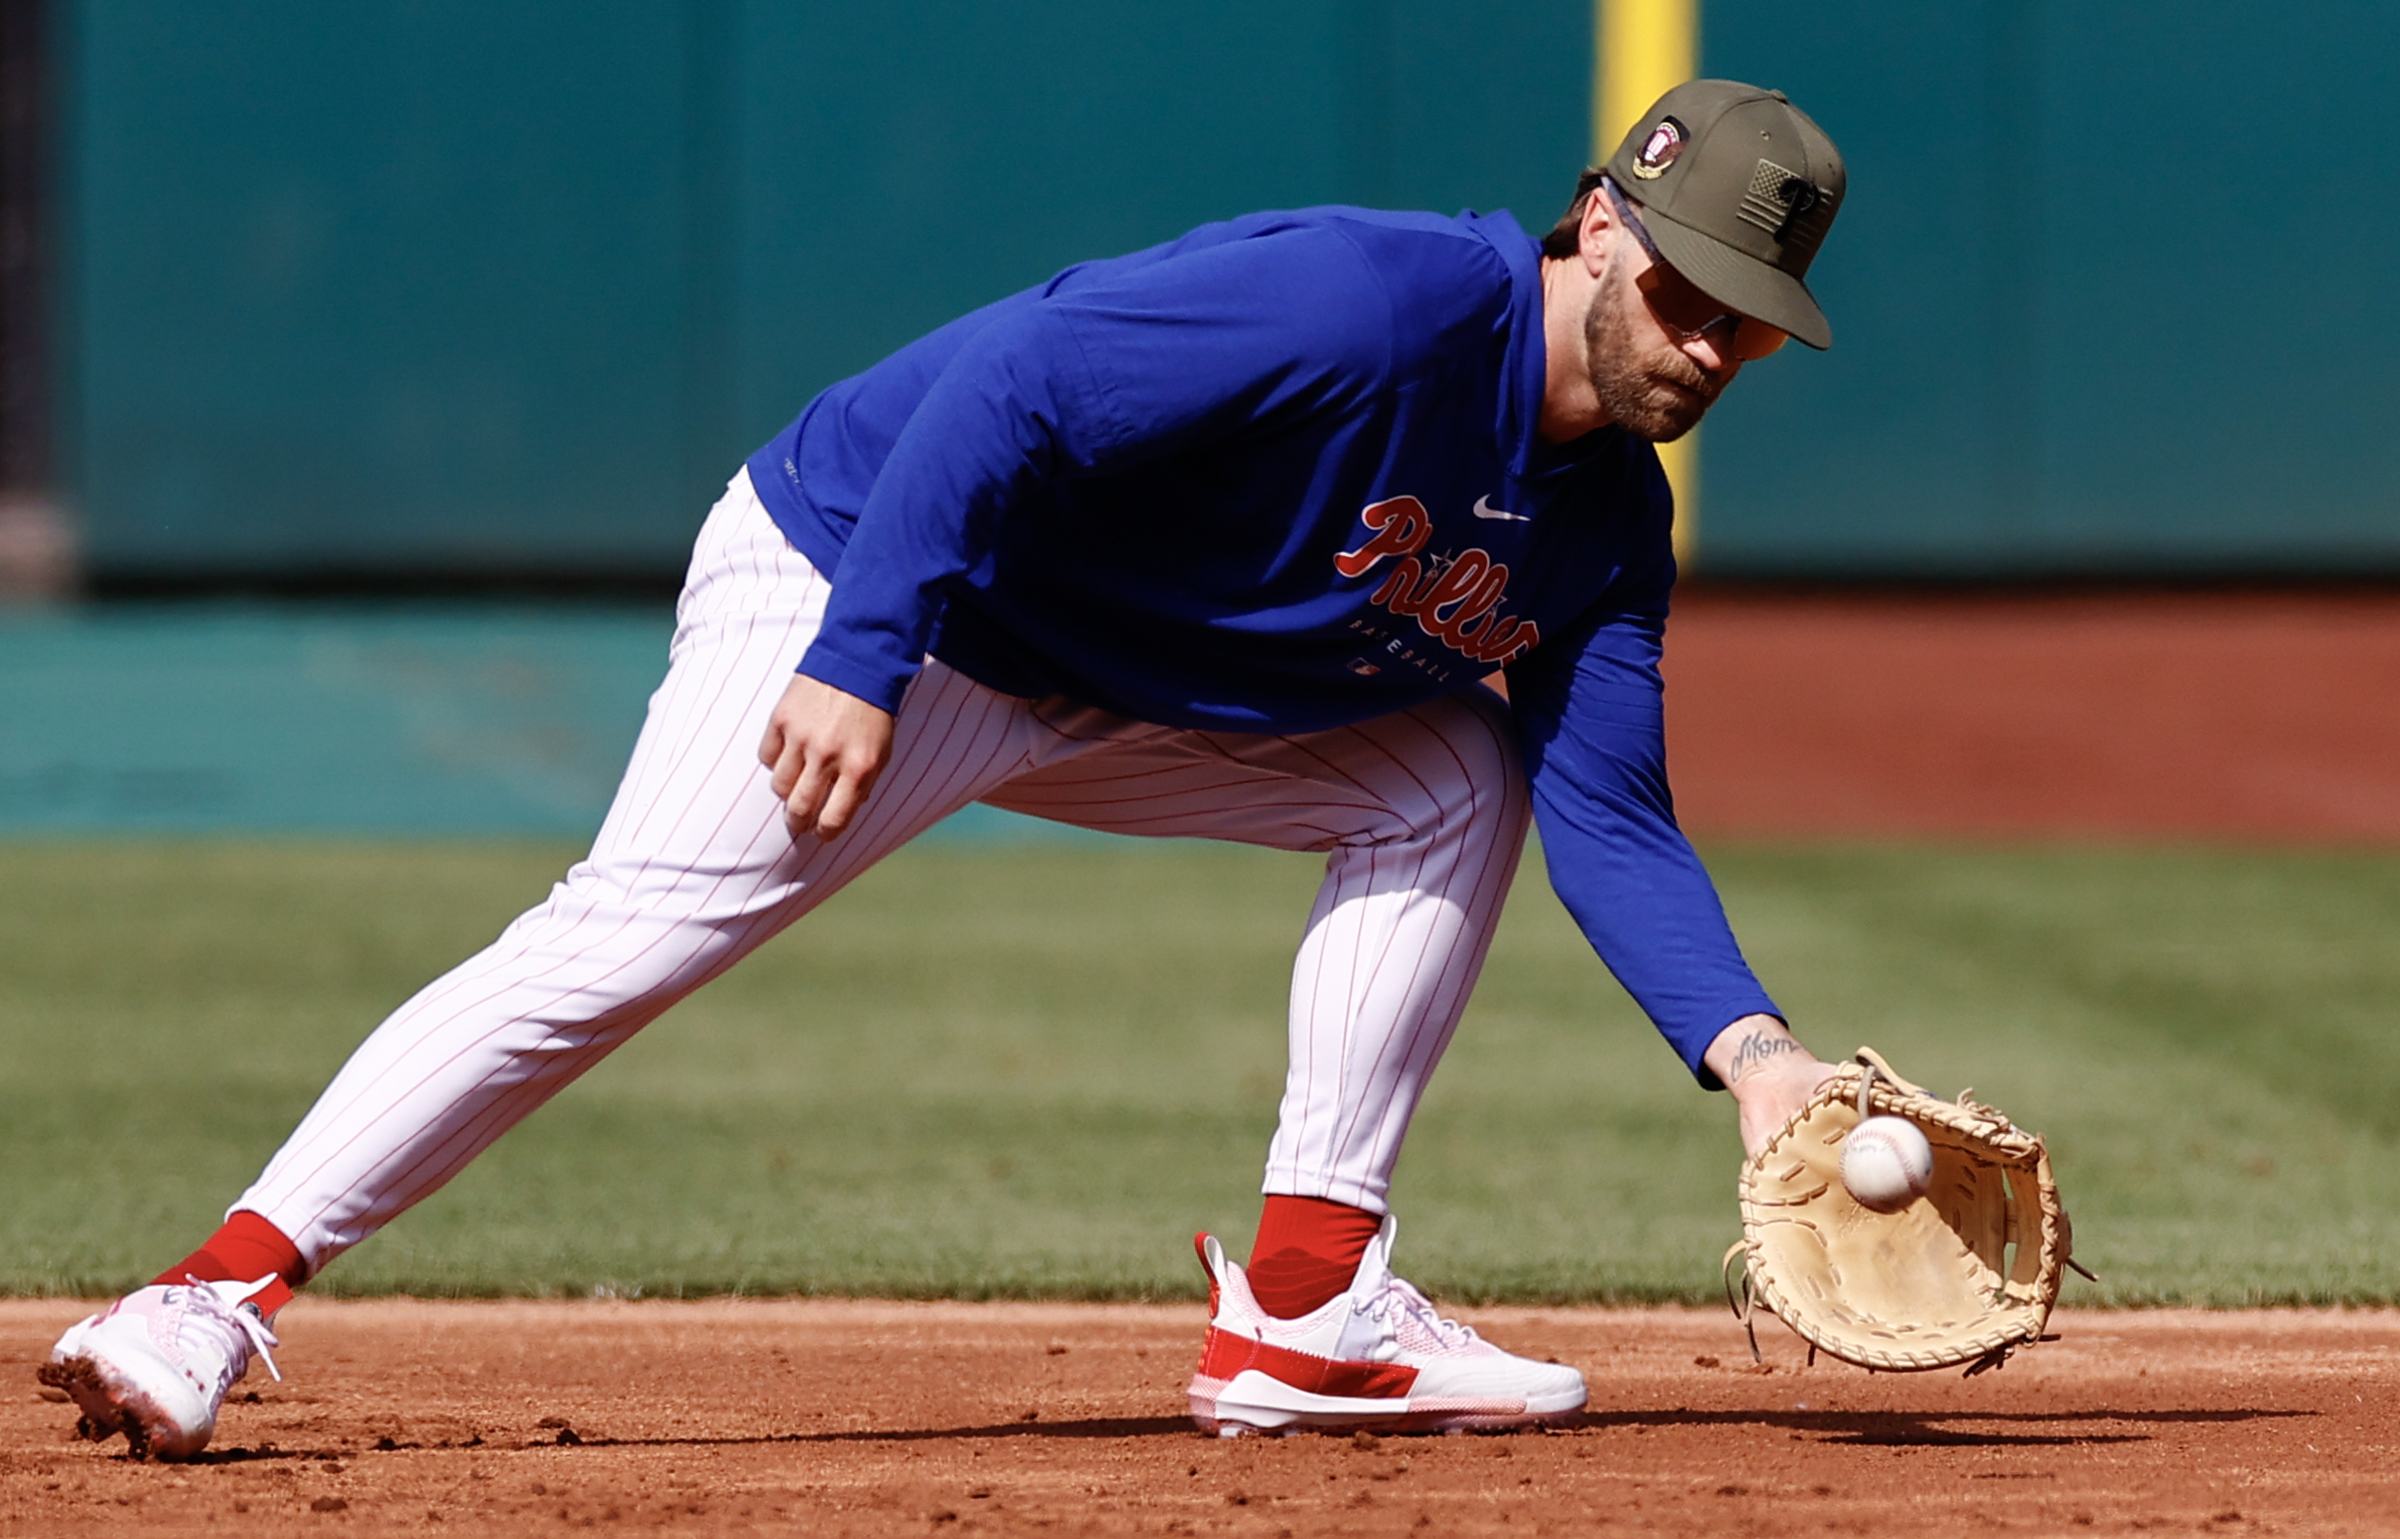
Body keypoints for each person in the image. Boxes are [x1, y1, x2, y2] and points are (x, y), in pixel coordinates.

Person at [40, 79, 1848, 1456]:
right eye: (1687, 286)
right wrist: (856, 646)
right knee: (627, 940)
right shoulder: (1375, 301)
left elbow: (1608, 807)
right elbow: (1016, 380)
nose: (1705, 340)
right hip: (873, 571)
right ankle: (207, 1300)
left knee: (1457, 771)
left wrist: (1756, 1059)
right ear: (1604, 223)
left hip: (1101, 680)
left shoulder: (1604, 532)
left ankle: (1305, 1309)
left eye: (1746, 317)